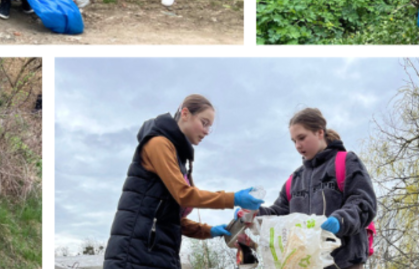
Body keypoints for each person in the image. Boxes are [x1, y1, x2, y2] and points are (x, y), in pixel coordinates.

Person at [102, 95, 263, 269]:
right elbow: (184, 195)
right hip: (135, 255)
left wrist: (209, 230)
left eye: (210, 126)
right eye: (204, 122)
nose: (207, 131)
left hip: (159, 254)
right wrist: (233, 198)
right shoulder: (158, 144)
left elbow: (170, 218)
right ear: (185, 114)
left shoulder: (179, 158)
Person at [257, 107, 378, 269]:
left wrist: (340, 220)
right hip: (304, 263)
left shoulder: (346, 162)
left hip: (344, 262)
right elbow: (279, 213)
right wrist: (255, 214)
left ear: (320, 132)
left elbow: (364, 202)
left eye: (302, 138)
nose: (298, 146)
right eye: (294, 141)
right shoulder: (294, 179)